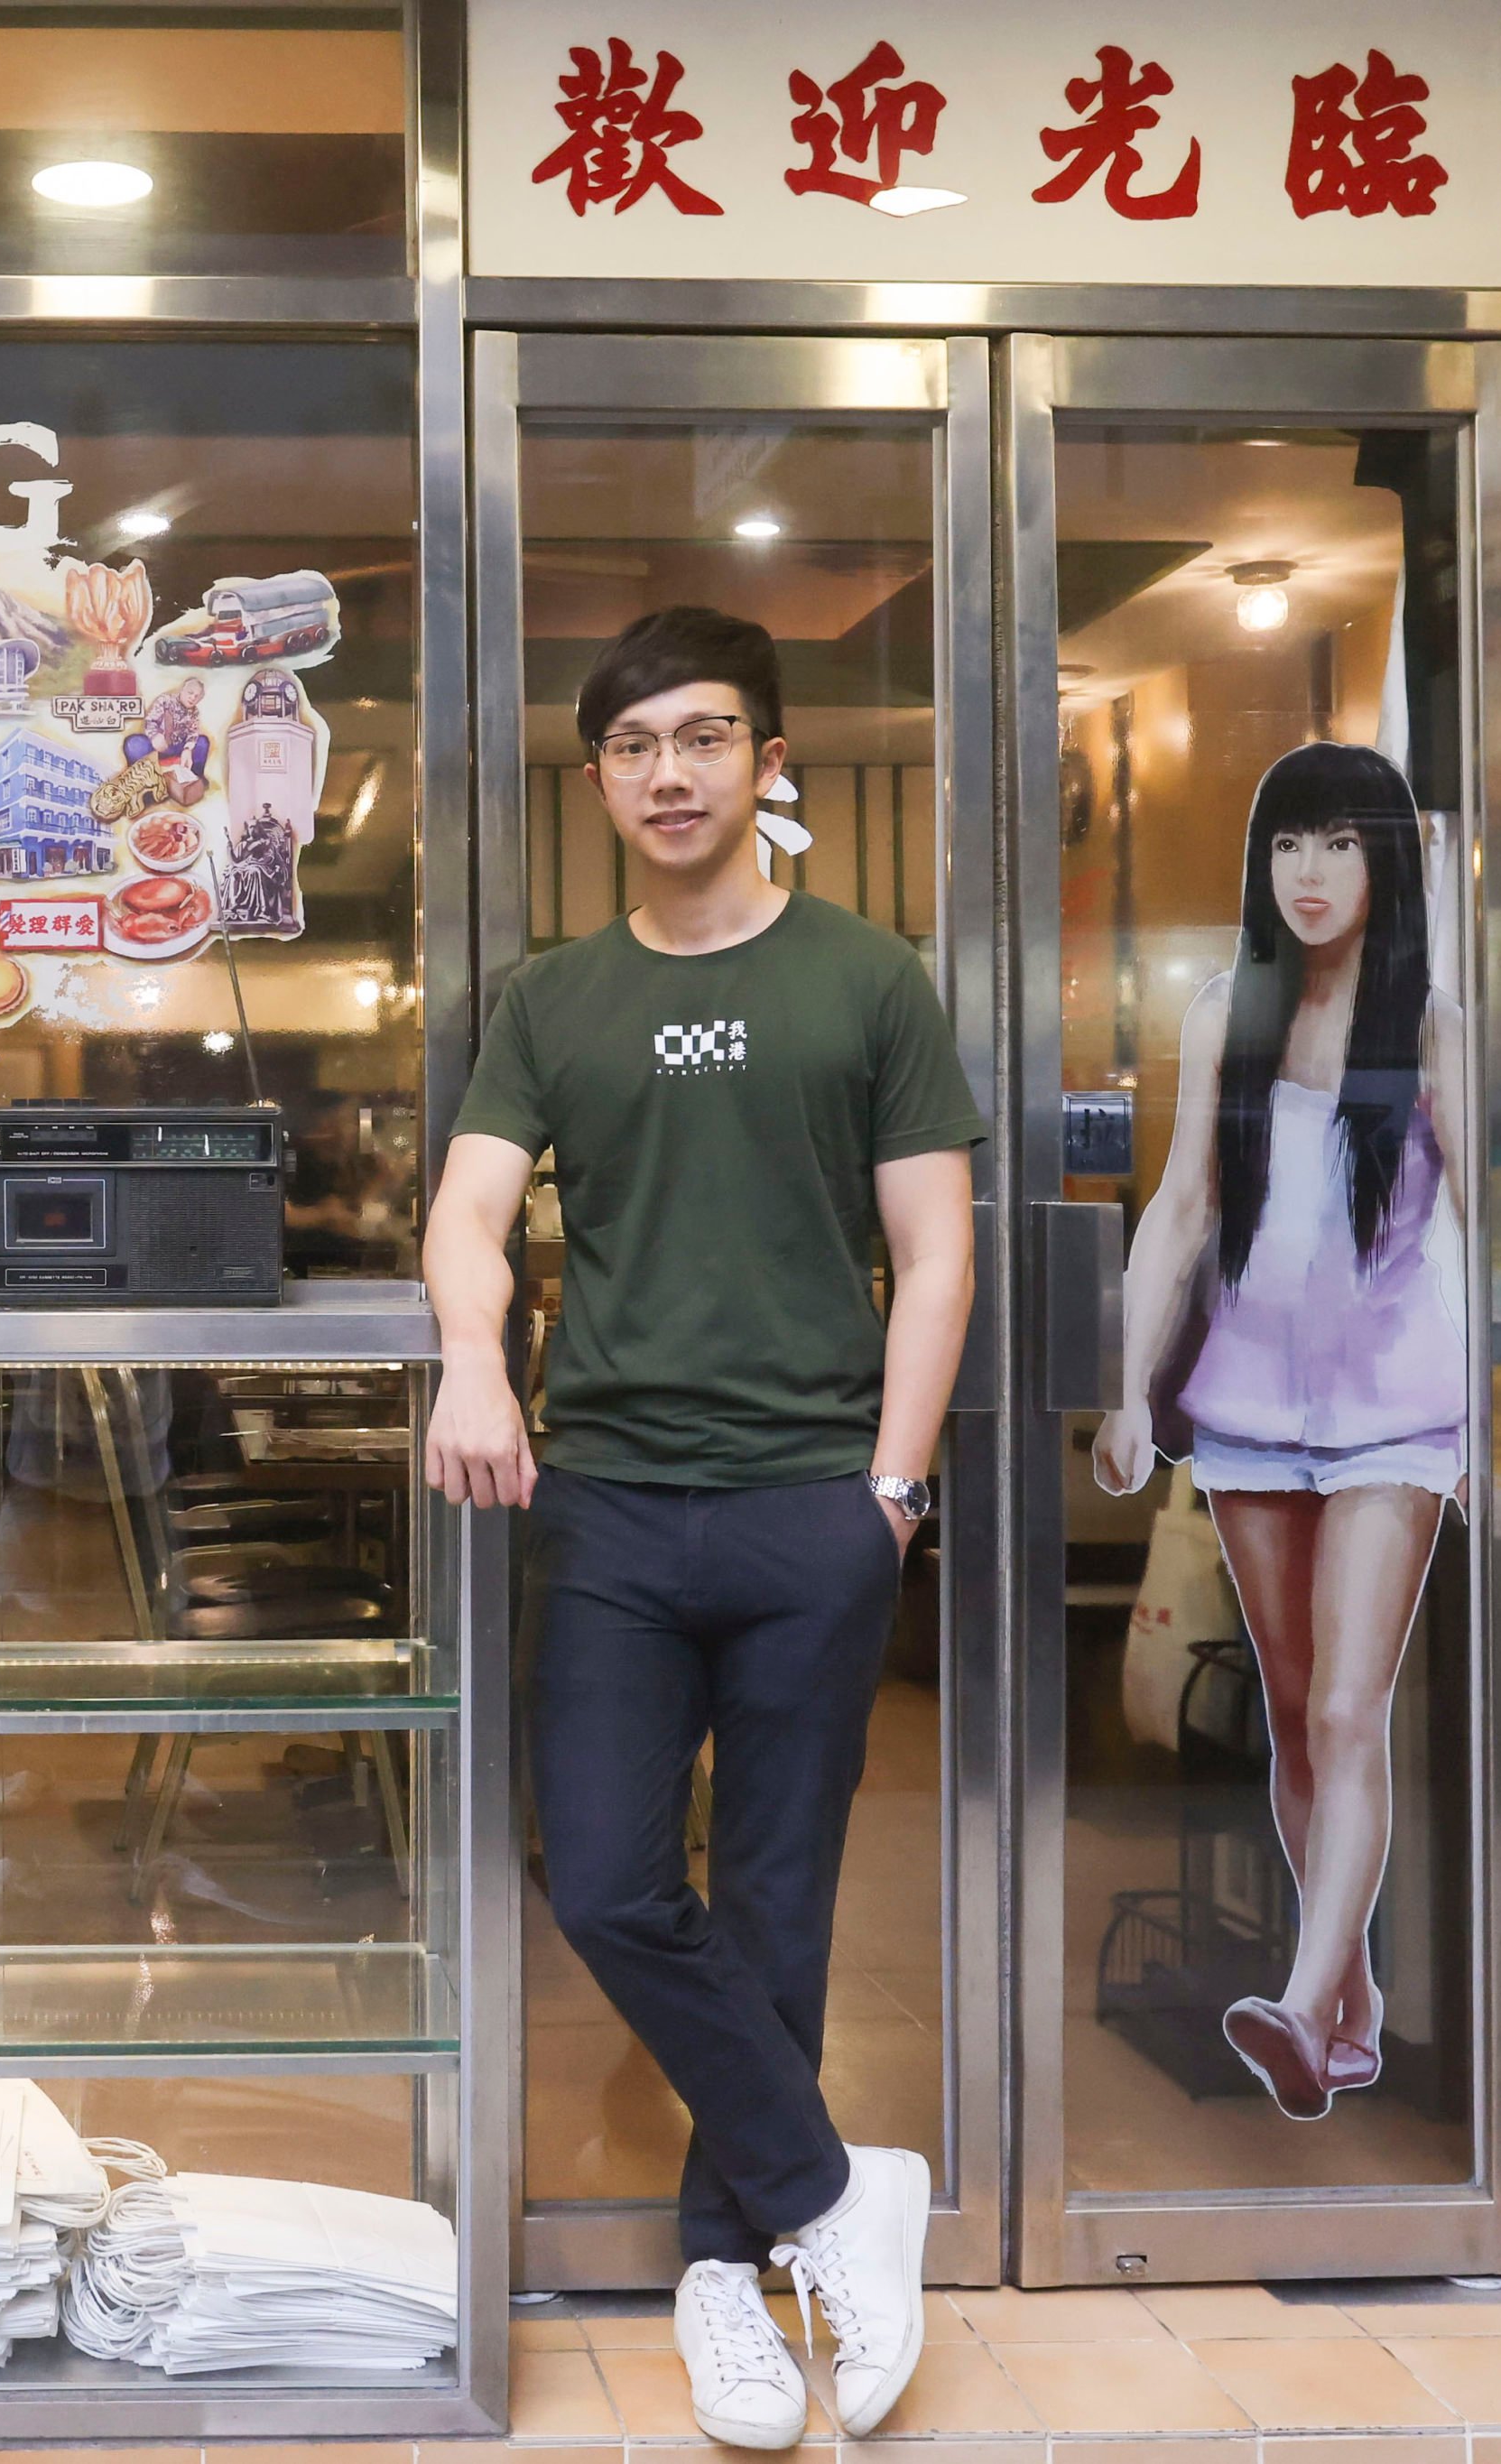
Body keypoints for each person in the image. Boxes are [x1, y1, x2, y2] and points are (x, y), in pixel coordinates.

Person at [424, 606, 978, 2450]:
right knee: (598, 1880)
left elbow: (934, 1252)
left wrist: (889, 1490)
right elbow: (469, 1212)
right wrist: (472, 1363)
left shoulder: (866, 980)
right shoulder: (555, 999)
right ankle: (836, 2196)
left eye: (705, 737)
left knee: (777, 1905)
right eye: (637, 745)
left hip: (811, 1506)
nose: (671, 772)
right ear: (598, 782)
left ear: (765, 762)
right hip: (606, 1503)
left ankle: (721, 2282)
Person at [1093, 741, 1464, 2122]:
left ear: (1384, 862)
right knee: (1294, 1720)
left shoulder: (1431, 1026)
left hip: (1391, 1417)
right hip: (1248, 1411)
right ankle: (1350, 1996)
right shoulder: (1219, 1012)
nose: (1307, 875)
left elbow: (1487, 1236)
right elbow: (1181, 1209)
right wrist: (1128, 1391)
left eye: (1337, 845)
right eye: (1286, 845)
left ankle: (1301, 2007)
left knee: (1342, 1707)